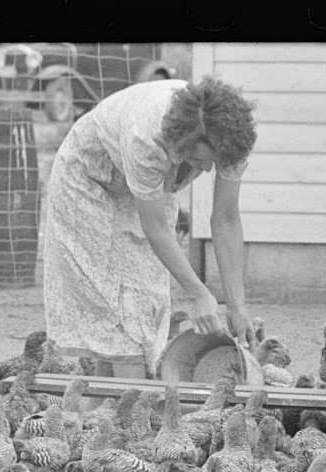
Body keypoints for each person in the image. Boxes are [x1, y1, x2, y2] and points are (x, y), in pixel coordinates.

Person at [42, 76, 258, 379]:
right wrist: (199, 294)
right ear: (183, 141)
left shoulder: (231, 139)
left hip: (146, 187)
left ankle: (108, 402)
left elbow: (226, 219)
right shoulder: (146, 137)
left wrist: (237, 306)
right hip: (88, 179)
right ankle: (131, 405)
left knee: (147, 293)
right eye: (200, 159)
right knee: (111, 297)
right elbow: (155, 228)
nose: (208, 169)